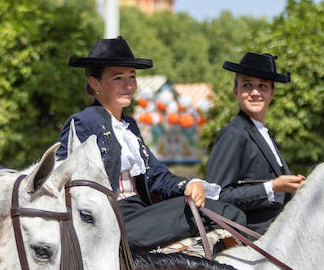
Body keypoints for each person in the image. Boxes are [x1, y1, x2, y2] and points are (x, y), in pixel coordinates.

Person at [58, 35, 245, 255]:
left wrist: (190, 185)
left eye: (132, 77)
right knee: (220, 212)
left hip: (142, 215)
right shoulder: (83, 122)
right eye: (118, 78)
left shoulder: (129, 125)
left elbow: (157, 177)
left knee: (227, 212)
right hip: (108, 221)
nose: (129, 85)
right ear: (94, 83)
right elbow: (62, 179)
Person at [206, 51, 305, 235]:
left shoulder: (262, 132)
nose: (255, 92)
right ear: (235, 91)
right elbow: (217, 195)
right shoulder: (233, 133)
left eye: (262, 86)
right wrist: (272, 187)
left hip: (281, 234)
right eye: (247, 85)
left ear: (272, 93)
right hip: (252, 239)